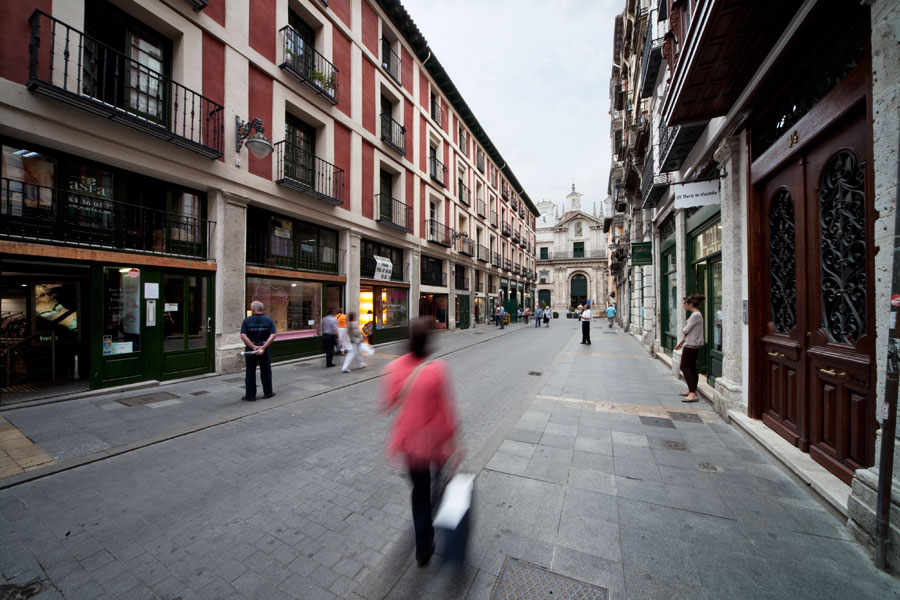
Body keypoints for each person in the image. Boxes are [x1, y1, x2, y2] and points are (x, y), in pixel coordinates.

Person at [380, 317, 460, 568]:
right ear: (429, 342)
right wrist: (454, 444)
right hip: (435, 443)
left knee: (419, 493)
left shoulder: (394, 368)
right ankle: (437, 531)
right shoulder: (437, 370)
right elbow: (446, 410)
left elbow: (388, 403)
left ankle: (423, 547)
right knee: (437, 487)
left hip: (409, 445)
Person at [240, 301, 277, 401]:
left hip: (251, 349)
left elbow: (243, 335)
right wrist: (263, 347)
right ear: (262, 309)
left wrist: (252, 346)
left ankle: (250, 396)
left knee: (250, 372)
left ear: (253, 309)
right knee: (266, 370)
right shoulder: (269, 320)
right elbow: (273, 335)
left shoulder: (247, 321)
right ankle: (268, 393)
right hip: (264, 348)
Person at [675, 294, 706, 402]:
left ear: (691, 304)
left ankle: (692, 393)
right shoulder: (696, 314)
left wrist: (684, 327)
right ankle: (692, 390)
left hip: (692, 345)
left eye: (685, 303)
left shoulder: (695, 315)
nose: (684, 305)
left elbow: (686, 330)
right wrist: (681, 342)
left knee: (684, 367)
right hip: (692, 343)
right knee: (692, 368)